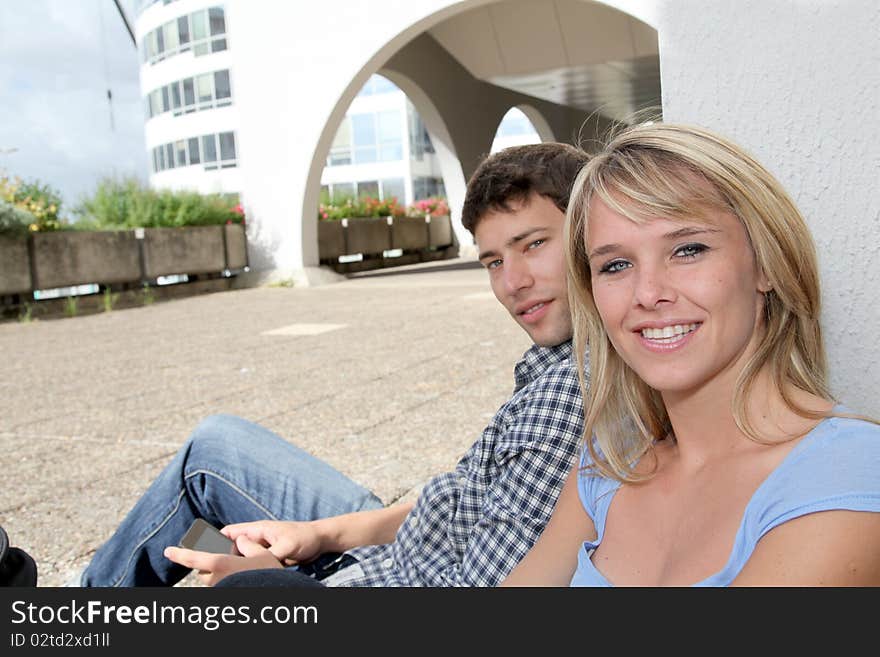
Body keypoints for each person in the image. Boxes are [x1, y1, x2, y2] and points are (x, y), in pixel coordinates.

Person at [75, 141, 590, 588]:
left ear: (589, 234)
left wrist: (267, 589)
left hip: (374, 579)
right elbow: (461, 499)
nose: (511, 283)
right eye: (495, 261)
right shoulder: (557, 364)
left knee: (208, 466)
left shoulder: (565, 398)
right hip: (401, 545)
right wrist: (319, 533)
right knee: (215, 447)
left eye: (534, 245)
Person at [503, 122, 880, 587]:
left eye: (688, 249)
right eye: (615, 265)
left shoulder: (847, 474)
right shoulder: (612, 457)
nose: (648, 293)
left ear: (765, 265)